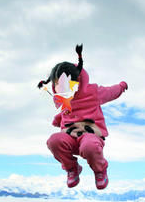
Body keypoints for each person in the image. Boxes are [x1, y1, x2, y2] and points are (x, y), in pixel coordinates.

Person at [38, 45, 128, 189]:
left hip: (90, 135)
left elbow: (111, 92)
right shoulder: (63, 98)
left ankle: (100, 170)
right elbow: (67, 112)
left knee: (89, 146)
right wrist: (58, 120)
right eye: (56, 83)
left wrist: (121, 86)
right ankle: (72, 168)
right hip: (70, 137)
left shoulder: (92, 92)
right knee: (53, 141)